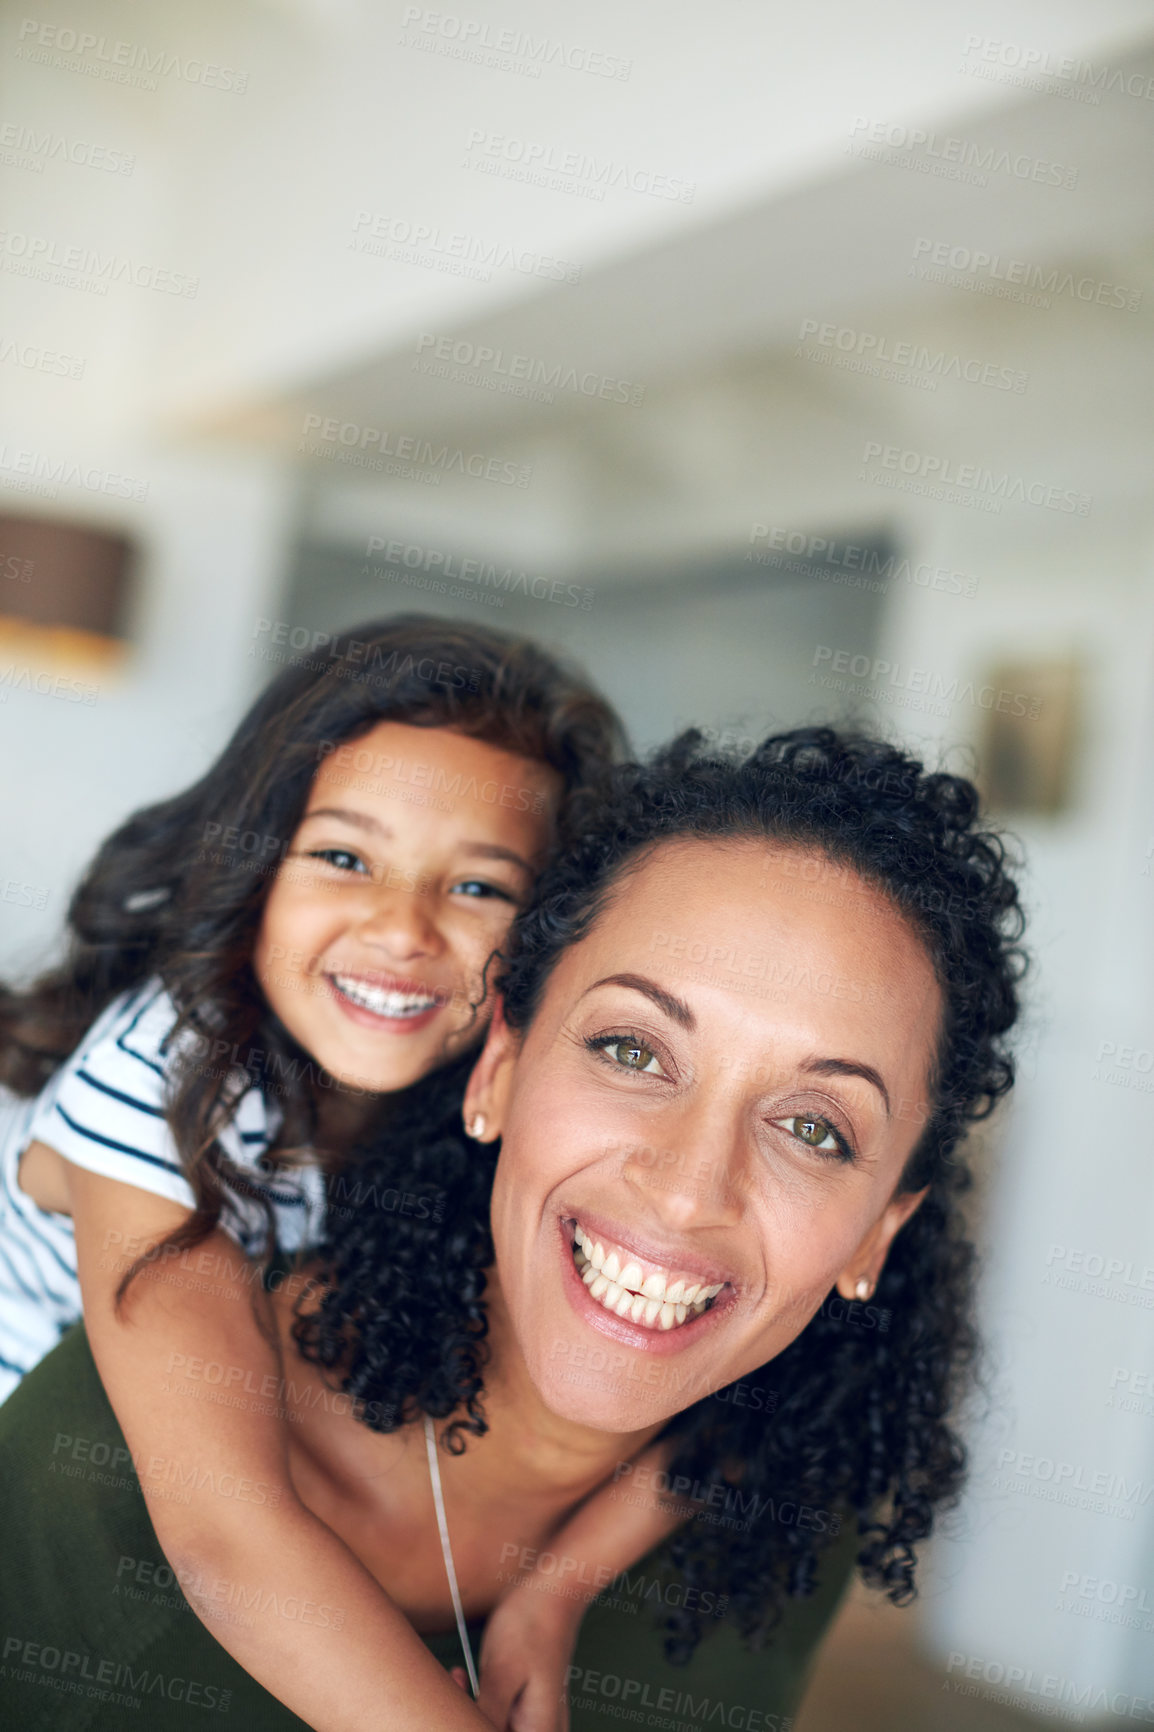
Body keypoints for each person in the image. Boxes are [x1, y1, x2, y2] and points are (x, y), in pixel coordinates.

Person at [0, 725, 1026, 1731]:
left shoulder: (773, 1535)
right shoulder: (102, 1460)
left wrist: (557, 1587)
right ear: (496, 1069)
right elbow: (228, 1548)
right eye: (632, 1050)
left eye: (813, 1127)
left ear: (874, 1237)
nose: (685, 1189)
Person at [1, 614, 701, 1731]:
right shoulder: (162, 1076)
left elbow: (759, 1379)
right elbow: (228, 1539)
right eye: (343, 857)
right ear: (252, 865)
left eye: (477, 887)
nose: (402, 928)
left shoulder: (483, 1091)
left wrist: (555, 1591)